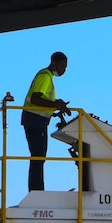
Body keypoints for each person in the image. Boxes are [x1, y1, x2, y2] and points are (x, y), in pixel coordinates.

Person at [21, 51, 70, 192]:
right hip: (34, 120)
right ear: (54, 63)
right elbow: (36, 99)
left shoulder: (47, 77)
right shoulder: (45, 76)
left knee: (39, 156)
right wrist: (56, 105)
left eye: (65, 68)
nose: (63, 70)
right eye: (62, 66)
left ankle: (36, 190)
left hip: (37, 120)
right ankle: (37, 191)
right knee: (38, 156)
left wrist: (56, 103)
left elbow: (43, 100)